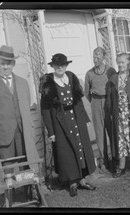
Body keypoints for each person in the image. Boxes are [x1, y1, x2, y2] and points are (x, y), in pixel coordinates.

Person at [0, 45, 40, 205]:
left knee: (26, 164)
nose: (6, 66)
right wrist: (0, 124)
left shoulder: (22, 83)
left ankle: (28, 193)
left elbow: (26, 105)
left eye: (9, 63)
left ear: (13, 64)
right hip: (3, 134)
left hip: (22, 132)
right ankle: (9, 197)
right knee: (7, 169)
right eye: (2, 63)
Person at [40, 53, 97, 197]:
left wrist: (85, 119)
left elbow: (78, 101)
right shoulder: (48, 83)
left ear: (66, 66)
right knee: (67, 152)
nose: (60, 68)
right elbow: (45, 110)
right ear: (53, 67)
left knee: (80, 147)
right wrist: (51, 132)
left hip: (76, 118)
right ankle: (72, 182)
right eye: (57, 66)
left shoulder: (71, 77)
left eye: (63, 65)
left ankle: (82, 179)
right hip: (60, 122)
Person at [84, 47, 117, 173]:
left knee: (112, 131)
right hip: (96, 102)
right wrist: (95, 101)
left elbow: (116, 87)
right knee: (99, 133)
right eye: (94, 56)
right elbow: (86, 92)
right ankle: (104, 161)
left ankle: (115, 159)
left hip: (109, 102)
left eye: (98, 56)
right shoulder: (89, 73)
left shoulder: (111, 71)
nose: (95, 59)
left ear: (103, 57)